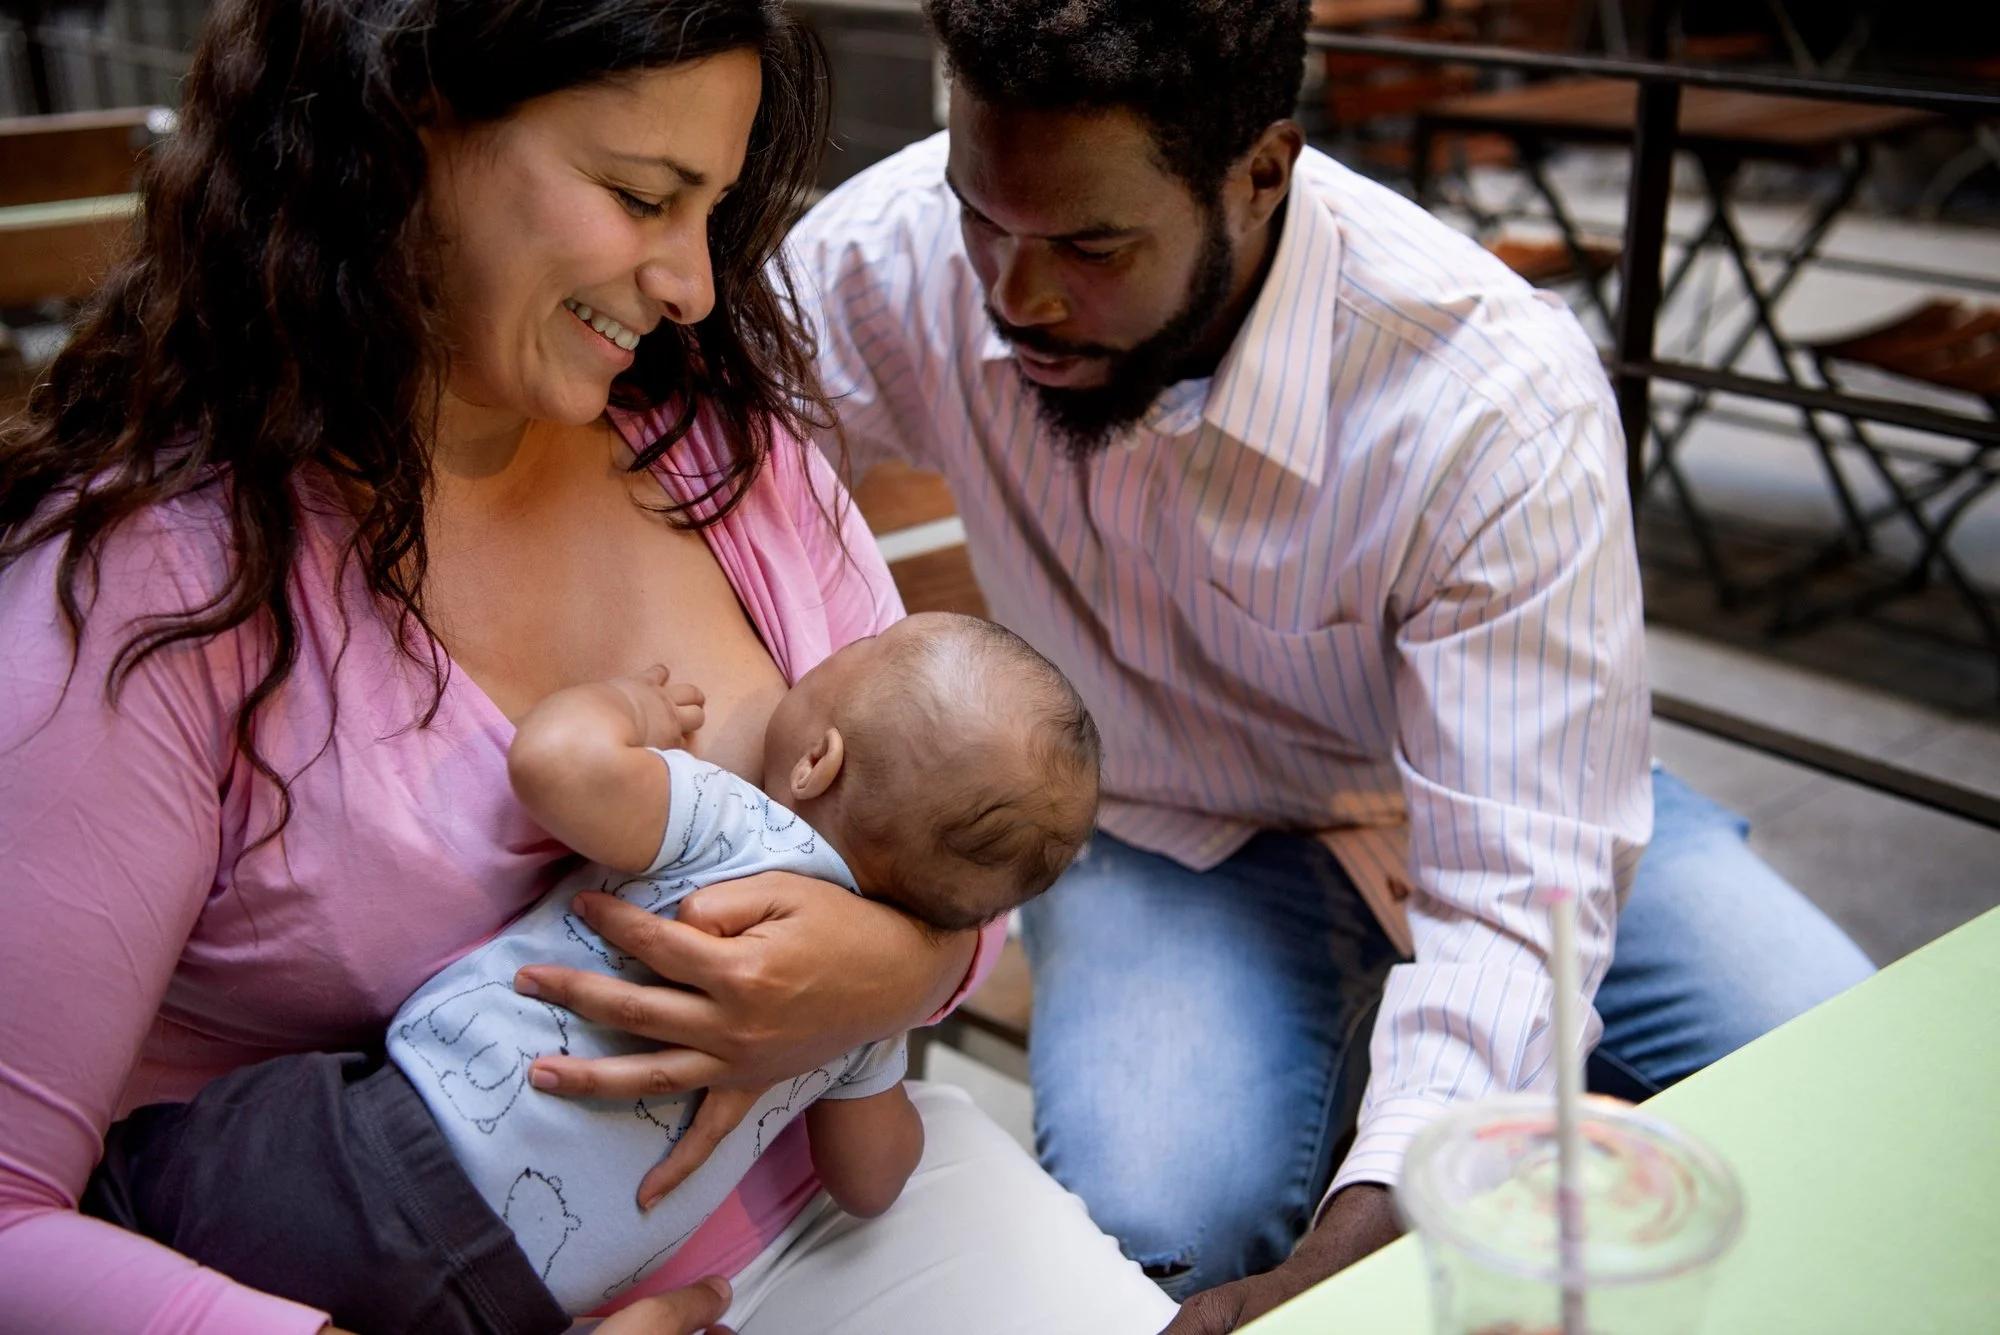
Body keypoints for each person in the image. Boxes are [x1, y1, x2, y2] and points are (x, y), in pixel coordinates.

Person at [0, 1, 1179, 1332]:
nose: (693, 285)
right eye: (640, 194)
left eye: (712, 210)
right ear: (412, 123)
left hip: (833, 1221)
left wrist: (900, 975)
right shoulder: (152, 594)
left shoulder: (725, 461)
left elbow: (951, 822)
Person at [785, 0, 1880, 1329]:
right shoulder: (891, 252)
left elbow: (1516, 891)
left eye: (1090, 243)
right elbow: (701, 480)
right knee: (1162, 1227)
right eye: (984, 221)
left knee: (1844, 1080)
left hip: (1474, 802)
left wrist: (1339, 1266)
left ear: (1263, 170)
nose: (1016, 295)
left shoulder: (1487, 394)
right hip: (1158, 820)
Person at [84, 612, 1103, 1330]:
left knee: (130, 1204)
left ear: (815, 762)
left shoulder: (731, 826)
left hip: (366, 1156)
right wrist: (887, 1037)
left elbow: (554, 766)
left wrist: (628, 708)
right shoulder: (857, 1018)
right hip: (515, 1303)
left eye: (848, 653)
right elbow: (873, 1181)